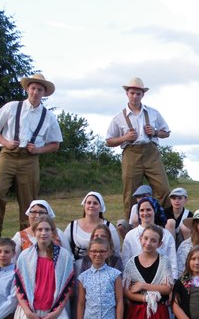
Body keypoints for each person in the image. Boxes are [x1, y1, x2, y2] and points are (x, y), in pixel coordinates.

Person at [0, 74, 63, 249]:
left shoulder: (48, 117)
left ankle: (25, 237)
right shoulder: (12, 107)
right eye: (33, 88)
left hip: (30, 159)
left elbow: (55, 144)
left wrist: (39, 150)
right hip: (8, 154)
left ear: (44, 93)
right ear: (27, 89)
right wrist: (5, 142)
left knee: (29, 200)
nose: (35, 92)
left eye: (39, 90)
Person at [106, 77, 172, 218]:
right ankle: (131, 225)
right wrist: (124, 138)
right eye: (132, 93)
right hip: (131, 154)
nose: (135, 96)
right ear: (127, 94)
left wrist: (155, 132)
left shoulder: (153, 113)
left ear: (143, 95)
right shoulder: (118, 118)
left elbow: (166, 132)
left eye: (138, 93)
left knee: (164, 189)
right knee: (130, 193)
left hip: (151, 153)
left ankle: (162, 220)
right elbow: (109, 141)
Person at [60, 191, 122, 273]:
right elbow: (65, 249)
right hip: (76, 269)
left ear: (100, 207)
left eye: (95, 203)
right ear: (84, 205)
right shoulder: (72, 226)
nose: (91, 205)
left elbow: (116, 251)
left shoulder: (109, 227)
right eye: (89, 203)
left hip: (103, 267)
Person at [122, 197, 178, 282]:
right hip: (136, 281)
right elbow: (125, 262)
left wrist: (173, 281)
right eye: (141, 210)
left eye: (148, 210)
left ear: (154, 210)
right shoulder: (130, 235)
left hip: (161, 281)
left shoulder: (166, 235)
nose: (145, 213)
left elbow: (172, 261)